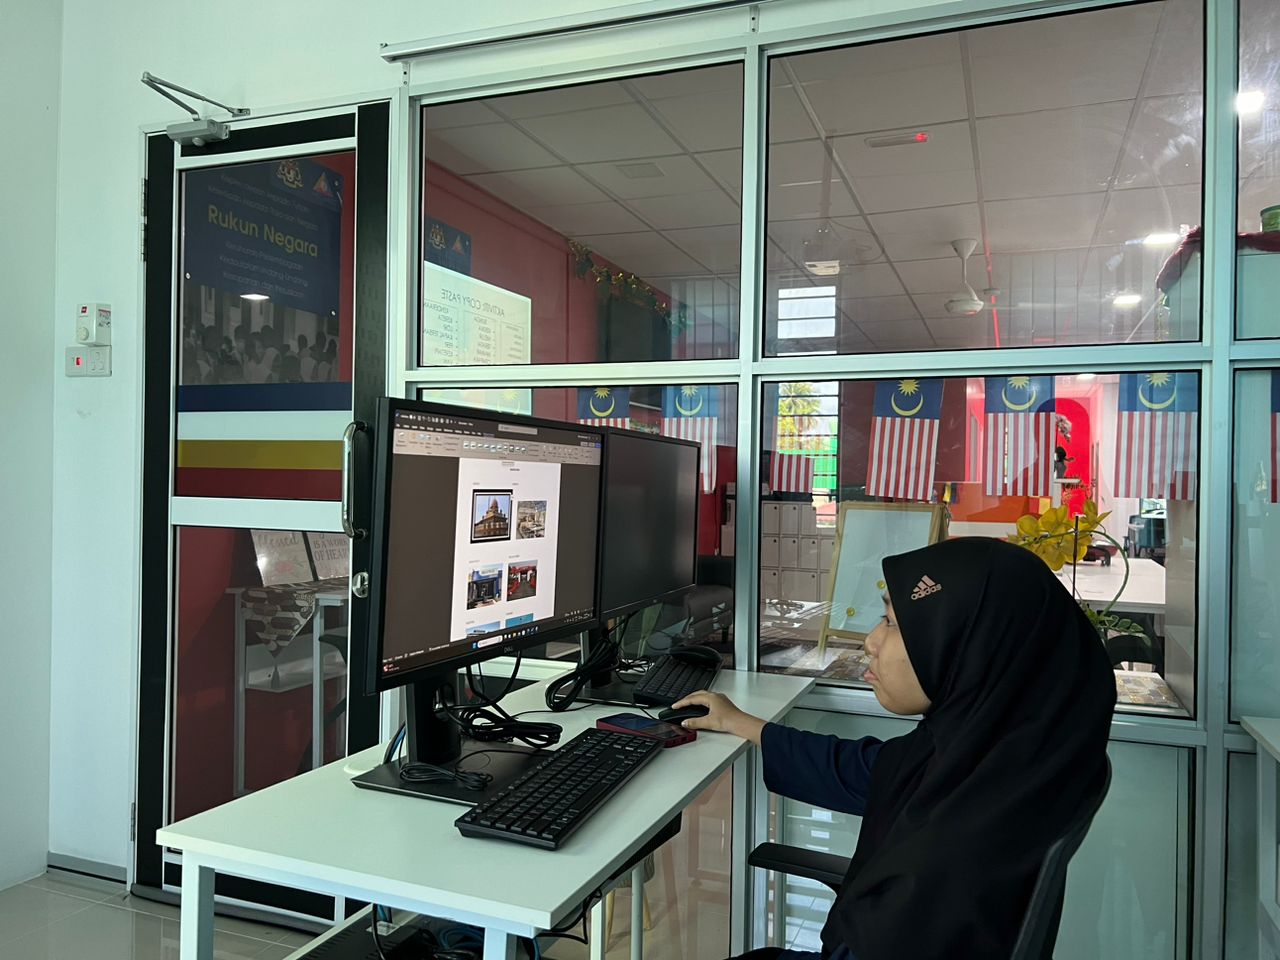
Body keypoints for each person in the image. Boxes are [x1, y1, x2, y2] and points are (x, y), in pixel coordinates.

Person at [674, 537, 1115, 960]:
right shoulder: (991, 761)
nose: (871, 641)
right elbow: (873, 770)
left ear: (968, 648)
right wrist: (741, 723)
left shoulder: (951, 854)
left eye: (893, 624)